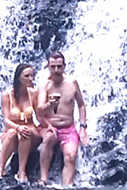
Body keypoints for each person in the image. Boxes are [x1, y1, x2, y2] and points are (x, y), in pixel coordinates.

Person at [37, 51, 89, 186]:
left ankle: (67, 186)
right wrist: (50, 105)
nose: (56, 70)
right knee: (48, 138)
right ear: (48, 66)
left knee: (71, 155)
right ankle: (43, 179)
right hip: (49, 126)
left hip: (68, 128)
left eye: (59, 66)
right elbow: (39, 111)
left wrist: (83, 128)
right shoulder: (45, 85)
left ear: (64, 66)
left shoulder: (72, 83)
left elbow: (81, 105)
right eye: (53, 66)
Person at [0, 63, 42, 181]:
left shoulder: (33, 93)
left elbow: (39, 115)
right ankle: (0, 168)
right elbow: (6, 119)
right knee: (12, 133)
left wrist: (49, 125)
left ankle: (22, 171)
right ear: (18, 77)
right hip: (12, 134)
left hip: (31, 134)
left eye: (32, 76)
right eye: (27, 76)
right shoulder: (6, 95)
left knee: (26, 132)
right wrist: (17, 128)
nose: (30, 79)